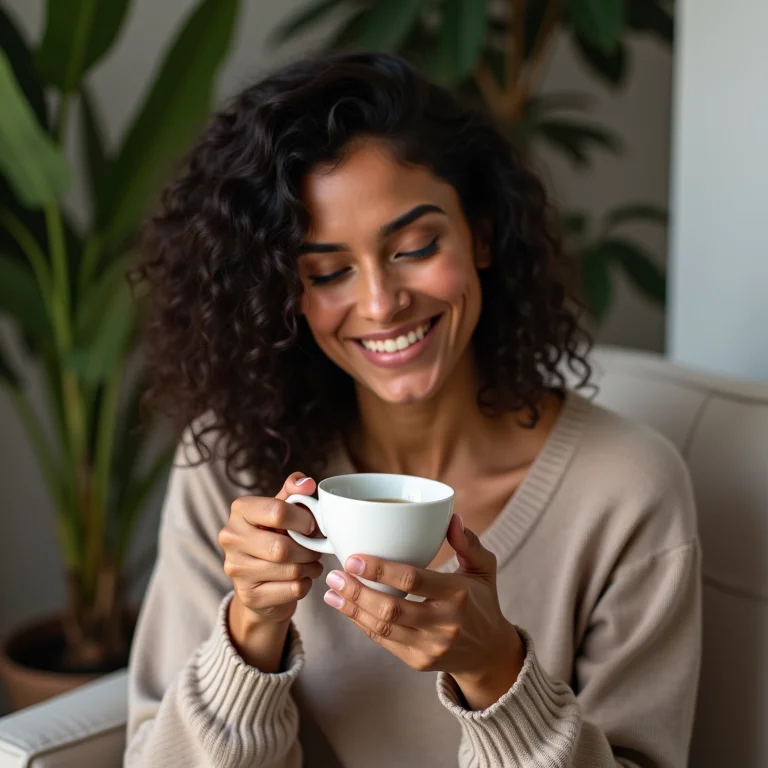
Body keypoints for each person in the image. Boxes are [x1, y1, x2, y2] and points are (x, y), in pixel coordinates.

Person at [125, 52, 701, 768]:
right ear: (282, 292)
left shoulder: (626, 490)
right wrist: (251, 629)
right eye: (328, 271)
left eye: (416, 246)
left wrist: (496, 675)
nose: (379, 303)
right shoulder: (231, 463)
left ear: (482, 233)